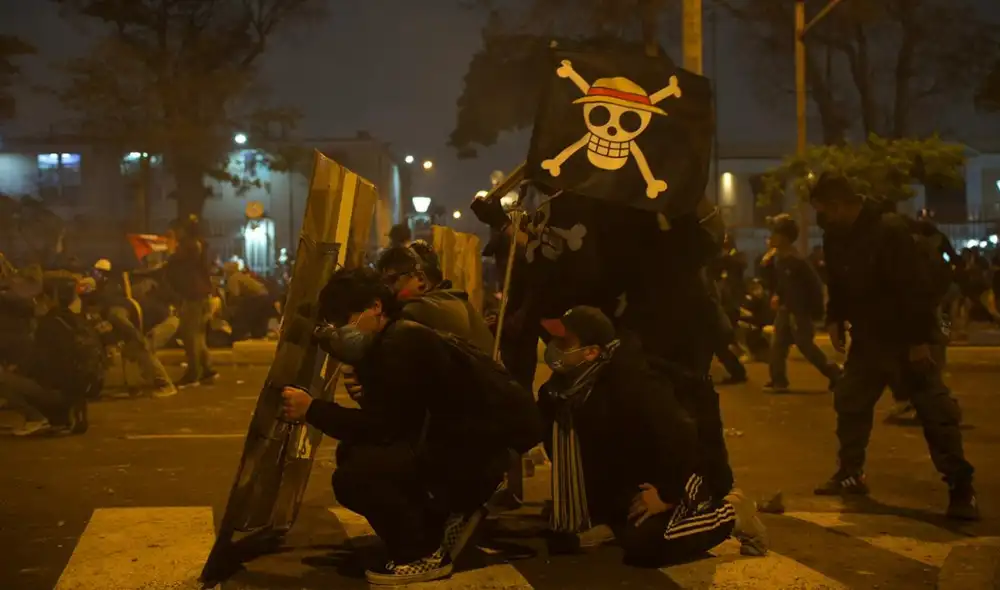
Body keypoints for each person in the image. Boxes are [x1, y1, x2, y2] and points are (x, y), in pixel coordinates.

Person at [281, 268, 539, 585]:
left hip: (475, 458)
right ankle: (446, 515)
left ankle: (422, 553)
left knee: (356, 477)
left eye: (347, 318)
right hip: (470, 452)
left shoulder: (401, 343)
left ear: (376, 306)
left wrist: (312, 410)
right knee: (354, 454)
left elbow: (382, 428)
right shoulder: (394, 338)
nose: (343, 329)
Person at [537, 306, 766, 563]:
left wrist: (667, 494)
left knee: (649, 545)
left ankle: (732, 513)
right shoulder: (559, 394)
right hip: (637, 477)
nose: (553, 348)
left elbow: (683, 439)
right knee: (611, 535)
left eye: (563, 342)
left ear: (591, 352)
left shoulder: (636, 385)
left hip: (688, 470)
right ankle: (617, 525)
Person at [808, 173, 977, 520]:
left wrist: (918, 342)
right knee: (850, 401)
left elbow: (913, 288)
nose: (822, 217)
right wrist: (835, 318)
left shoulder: (890, 230)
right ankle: (851, 473)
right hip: (868, 338)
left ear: (841, 204)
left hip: (903, 338)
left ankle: (962, 489)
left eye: (825, 209)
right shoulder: (835, 235)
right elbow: (838, 282)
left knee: (935, 414)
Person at [0, 278, 96, 435]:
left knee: (5, 379)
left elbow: (38, 363)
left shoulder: (48, 324)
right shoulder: (75, 320)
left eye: (38, 298)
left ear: (49, 299)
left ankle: (35, 417)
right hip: (80, 392)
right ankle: (63, 418)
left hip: (58, 393)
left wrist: (18, 371)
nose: (35, 303)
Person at [759, 214, 841, 392]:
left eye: (774, 233)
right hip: (785, 309)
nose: (770, 238)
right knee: (777, 345)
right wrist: (777, 295)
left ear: (785, 238)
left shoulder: (797, 261)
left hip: (798, 311)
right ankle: (778, 380)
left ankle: (835, 373)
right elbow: (778, 284)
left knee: (805, 345)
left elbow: (814, 287)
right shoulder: (778, 259)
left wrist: (814, 312)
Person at [375, 244, 493, 354]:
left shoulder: (417, 310)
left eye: (391, 280)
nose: (388, 290)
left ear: (419, 279)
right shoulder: (448, 299)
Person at [87, 260, 175, 397]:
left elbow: (127, 328)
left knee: (141, 349)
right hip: (152, 321)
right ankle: (135, 387)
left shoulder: (113, 311)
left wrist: (139, 339)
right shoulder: (110, 305)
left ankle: (165, 384)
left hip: (165, 321)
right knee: (129, 350)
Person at [163, 215, 217, 387]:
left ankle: (194, 373)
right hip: (200, 294)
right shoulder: (198, 245)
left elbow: (174, 266)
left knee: (190, 335)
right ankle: (207, 370)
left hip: (193, 295)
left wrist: (171, 251)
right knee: (198, 335)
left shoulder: (189, 246)